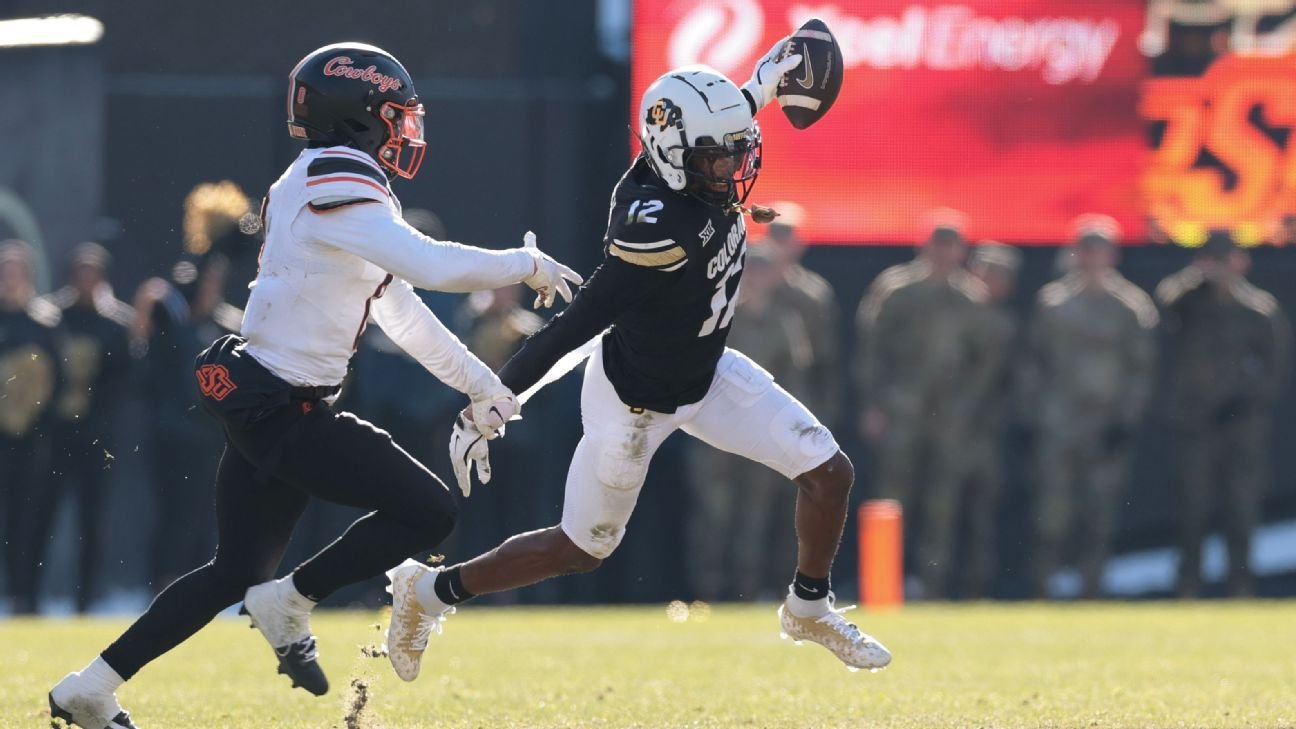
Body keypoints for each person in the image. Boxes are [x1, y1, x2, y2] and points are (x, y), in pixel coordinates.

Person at [48, 42, 581, 729]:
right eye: (395, 113)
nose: (405, 127)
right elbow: (427, 264)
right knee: (429, 512)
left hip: (270, 400)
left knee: (231, 570)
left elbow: (401, 310)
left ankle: (88, 686)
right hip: (286, 407)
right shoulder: (335, 175)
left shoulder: (330, 182)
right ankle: (292, 599)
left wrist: (481, 384)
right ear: (357, 115)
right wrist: (525, 260)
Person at [379, 51, 892, 684]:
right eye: (716, 158)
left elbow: (729, 118)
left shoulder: (687, 154)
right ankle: (427, 591)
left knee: (828, 470)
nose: (731, 168)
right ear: (675, 155)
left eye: (737, 151)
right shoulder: (657, 224)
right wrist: (497, 394)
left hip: (706, 373)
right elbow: (578, 325)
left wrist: (766, 79)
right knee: (582, 548)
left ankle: (807, 607)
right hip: (635, 405)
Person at [1017, 217, 1158, 599]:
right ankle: (1042, 588)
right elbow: (1034, 361)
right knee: (1052, 512)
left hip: (1104, 422)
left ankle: (1091, 589)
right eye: (1087, 249)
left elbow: (1139, 370)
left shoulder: (1130, 306)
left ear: (1112, 254)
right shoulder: (1053, 302)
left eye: (1101, 250)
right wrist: (1030, 415)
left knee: (1099, 514)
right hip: (1058, 421)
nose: (1094, 258)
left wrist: (1126, 419)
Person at [854, 219, 987, 599]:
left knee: (941, 501)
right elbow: (871, 351)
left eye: (952, 245)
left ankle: (931, 586)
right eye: (938, 244)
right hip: (901, 409)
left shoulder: (970, 298)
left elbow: (985, 361)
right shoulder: (897, 290)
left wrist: (966, 406)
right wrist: (873, 405)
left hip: (949, 415)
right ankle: (885, 583)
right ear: (923, 247)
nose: (944, 253)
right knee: (892, 498)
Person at [1156, 232, 1289, 597]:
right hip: (1197, 422)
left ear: (1240, 261)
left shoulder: (1259, 309)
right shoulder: (1191, 301)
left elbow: (1274, 369)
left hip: (1241, 425)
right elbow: (1164, 307)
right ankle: (1187, 586)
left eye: (1224, 258)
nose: (1220, 266)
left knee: (1241, 508)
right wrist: (1195, 276)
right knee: (1192, 507)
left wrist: (1245, 403)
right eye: (1212, 258)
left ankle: (1240, 586)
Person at [685, 244, 809, 601]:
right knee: (713, 513)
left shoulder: (785, 324)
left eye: (762, 271)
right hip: (713, 430)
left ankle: (748, 590)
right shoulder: (716, 317)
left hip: (760, 433)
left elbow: (794, 379)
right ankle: (706, 594)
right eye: (749, 270)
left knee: (756, 514)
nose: (755, 278)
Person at [36, 243, 134, 614]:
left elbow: (128, 380)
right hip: (55, 435)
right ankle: (30, 596)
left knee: (92, 518)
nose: (86, 282)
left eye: (93, 274)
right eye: (80, 273)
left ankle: (86, 598)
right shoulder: (51, 319)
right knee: (42, 514)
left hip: (97, 436)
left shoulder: (116, 325)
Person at [0, 239, 62, 615]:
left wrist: (30, 408)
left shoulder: (46, 323)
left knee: (30, 519)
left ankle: (26, 596)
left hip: (33, 441)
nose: (9, 280)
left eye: (15, 273)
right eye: (3, 273)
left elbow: (62, 381)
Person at [957, 242, 1022, 598]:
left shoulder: (1004, 325)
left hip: (985, 430)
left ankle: (977, 588)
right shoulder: (947, 312)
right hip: (942, 426)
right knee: (938, 509)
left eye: (999, 277)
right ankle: (928, 586)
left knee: (981, 513)